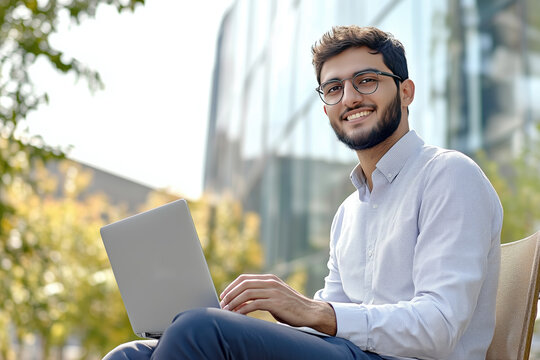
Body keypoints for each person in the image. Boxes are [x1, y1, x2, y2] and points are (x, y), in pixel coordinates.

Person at [103, 25, 503, 360]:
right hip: (355, 353)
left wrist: (309, 310)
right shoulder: (349, 213)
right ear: (326, 105)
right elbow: (328, 326)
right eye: (333, 88)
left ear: (406, 91)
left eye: (366, 80)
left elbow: (440, 327)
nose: (349, 98)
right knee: (132, 354)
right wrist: (260, 323)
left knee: (198, 329)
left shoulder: (449, 175)